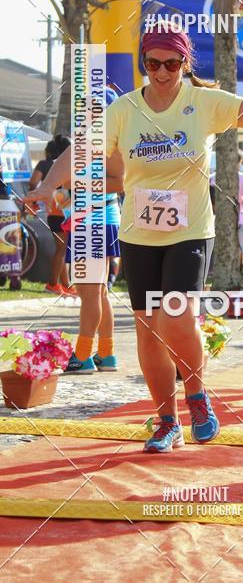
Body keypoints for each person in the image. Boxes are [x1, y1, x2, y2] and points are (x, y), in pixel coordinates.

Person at [25, 22, 243, 453]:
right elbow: (82, 148)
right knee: (147, 332)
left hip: (190, 232)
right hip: (140, 234)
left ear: (184, 62)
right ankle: (167, 420)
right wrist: (50, 185)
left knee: (174, 318)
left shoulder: (203, 102)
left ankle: (197, 395)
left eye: (172, 63)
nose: (161, 72)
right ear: (144, 62)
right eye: (152, 63)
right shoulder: (124, 109)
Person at [63, 88, 123, 373]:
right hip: (95, 219)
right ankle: (106, 354)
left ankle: (83, 355)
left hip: (93, 221)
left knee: (90, 294)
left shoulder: (106, 141)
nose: (86, 113)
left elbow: (120, 181)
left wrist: (79, 186)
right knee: (98, 294)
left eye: (93, 108)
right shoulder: (93, 140)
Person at [29, 135, 76, 297]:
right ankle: (54, 284)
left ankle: (66, 284)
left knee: (63, 248)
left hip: (55, 212)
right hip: (64, 211)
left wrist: (33, 200)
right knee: (62, 249)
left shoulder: (45, 164)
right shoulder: (66, 164)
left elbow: (33, 182)